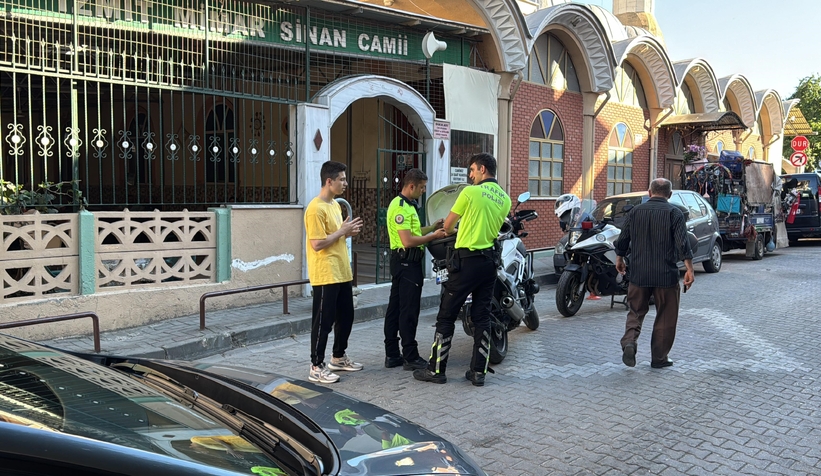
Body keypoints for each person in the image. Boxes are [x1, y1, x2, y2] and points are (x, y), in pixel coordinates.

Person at [413, 153, 511, 387]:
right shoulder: (505, 199)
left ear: (483, 169)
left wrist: (454, 228)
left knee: (446, 315)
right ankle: (478, 372)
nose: (470, 175)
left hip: (465, 261)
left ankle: (436, 370)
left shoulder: (469, 192)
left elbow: (447, 225)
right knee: (482, 316)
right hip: (488, 263)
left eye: (473, 170)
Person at [614, 178, 694, 369]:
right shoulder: (674, 213)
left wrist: (620, 259)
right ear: (670, 194)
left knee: (635, 311)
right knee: (666, 316)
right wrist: (689, 268)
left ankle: (629, 342)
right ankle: (659, 358)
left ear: (649, 193)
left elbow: (623, 238)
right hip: (665, 275)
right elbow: (683, 243)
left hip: (638, 274)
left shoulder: (634, 212)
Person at [304, 161, 365, 384]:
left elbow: (334, 236)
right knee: (323, 321)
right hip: (325, 273)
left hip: (342, 271)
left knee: (346, 317)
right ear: (329, 181)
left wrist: (346, 232)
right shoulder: (315, 208)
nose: (345, 183)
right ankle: (316, 365)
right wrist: (342, 231)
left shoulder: (334, 205)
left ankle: (338, 357)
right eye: (342, 179)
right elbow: (317, 244)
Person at [384, 169, 447, 371]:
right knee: (408, 310)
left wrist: (431, 227)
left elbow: (415, 232)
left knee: (395, 308)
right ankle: (410, 356)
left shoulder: (408, 205)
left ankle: (393, 354)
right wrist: (434, 236)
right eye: (421, 187)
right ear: (411, 186)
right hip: (407, 264)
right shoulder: (401, 207)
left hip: (404, 263)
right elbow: (408, 240)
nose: (423, 191)